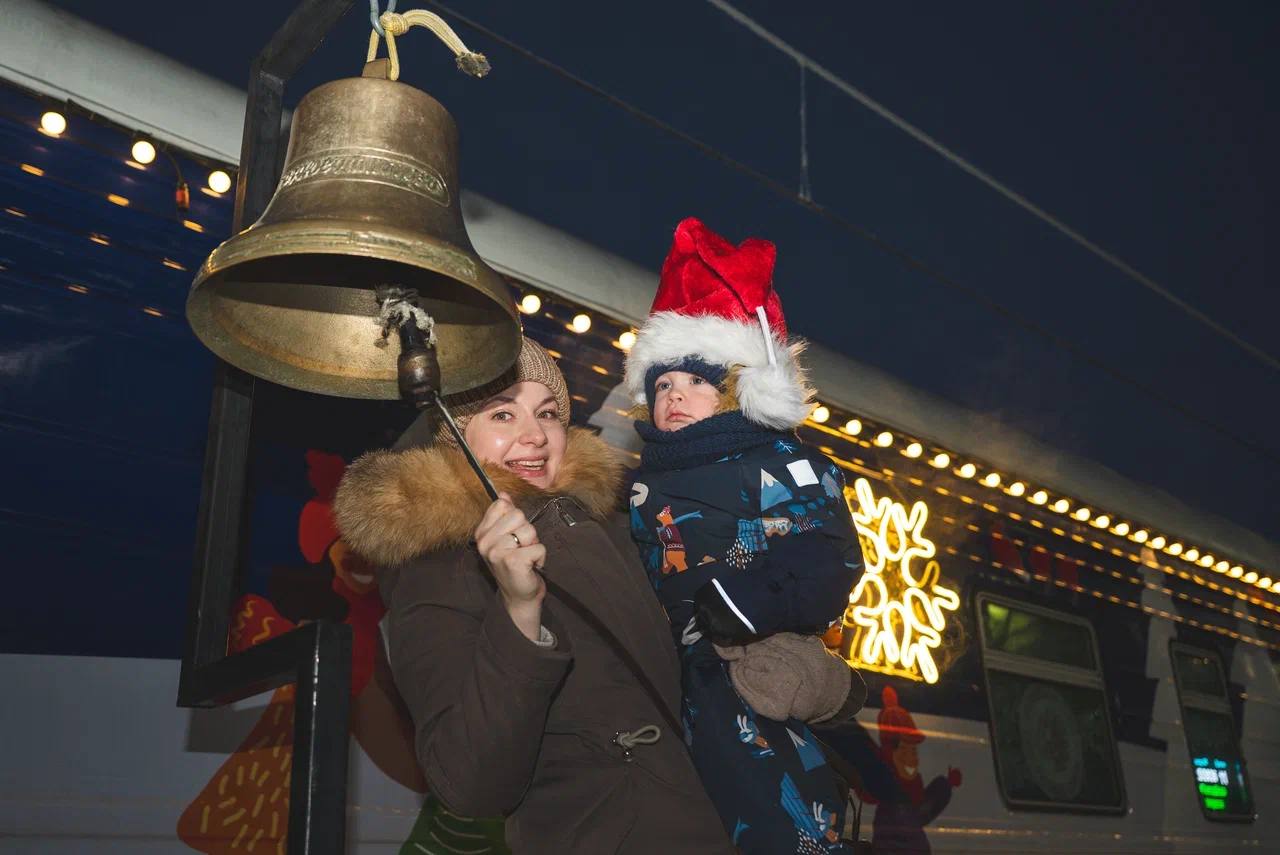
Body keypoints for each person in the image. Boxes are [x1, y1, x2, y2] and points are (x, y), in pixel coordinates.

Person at [333, 337, 735, 855]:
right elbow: (470, 785)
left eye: (548, 414)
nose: (535, 436)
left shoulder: (619, 531)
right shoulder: (437, 569)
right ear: (453, 437)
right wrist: (520, 612)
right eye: (501, 416)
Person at [623, 217, 867, 854]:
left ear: (736, 389)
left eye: (697, 382)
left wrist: (745, 607)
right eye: (663, 385)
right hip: (671, 677)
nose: (674, 397)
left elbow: (829, 554)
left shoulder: (780, 462)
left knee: (770, 803)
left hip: (745, 664)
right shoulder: (642, 484)